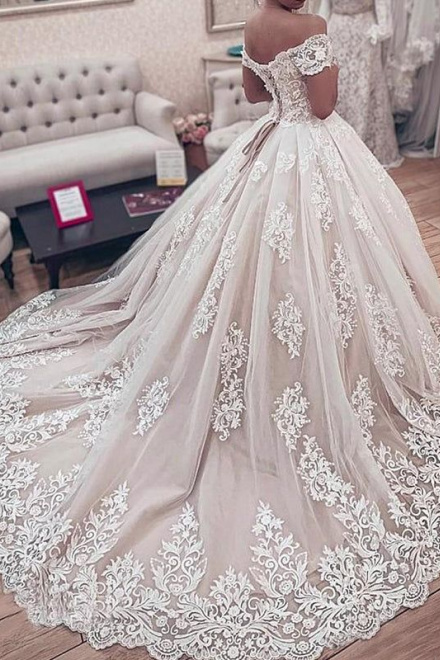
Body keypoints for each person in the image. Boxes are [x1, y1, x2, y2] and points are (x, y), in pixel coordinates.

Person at [1, 1, 440, 658]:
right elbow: (324, 108)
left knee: (243, 274)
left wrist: (285, 85)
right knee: (324, 275)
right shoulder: (313, 28)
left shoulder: (254, 23)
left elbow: (256, 93)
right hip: (313, 154)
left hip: (267, 152)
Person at [318, 0, 403, 168]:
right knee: (337, 86)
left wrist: (377, 32)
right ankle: (336, 148)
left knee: (364, 88)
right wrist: (320, 38)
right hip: (336, 33)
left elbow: (385, 19)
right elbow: (324, 10)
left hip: (365, 36)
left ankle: (363, 150)